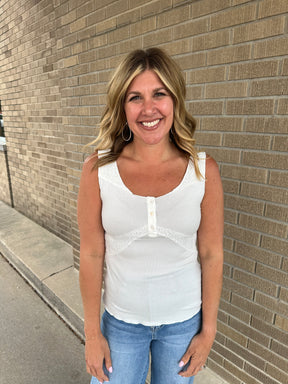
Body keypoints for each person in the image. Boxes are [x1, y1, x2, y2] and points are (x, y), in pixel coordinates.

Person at [77, 47, 223, 384]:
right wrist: (92, 333)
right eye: (134, 97)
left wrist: (209, 331)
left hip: (184, 325)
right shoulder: (98, 171)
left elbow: (212, 253)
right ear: (121, 106)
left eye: (159, 94)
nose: (148, 109)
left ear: (174, 100)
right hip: (120, 325)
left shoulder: (204, 171)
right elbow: (91, 252)